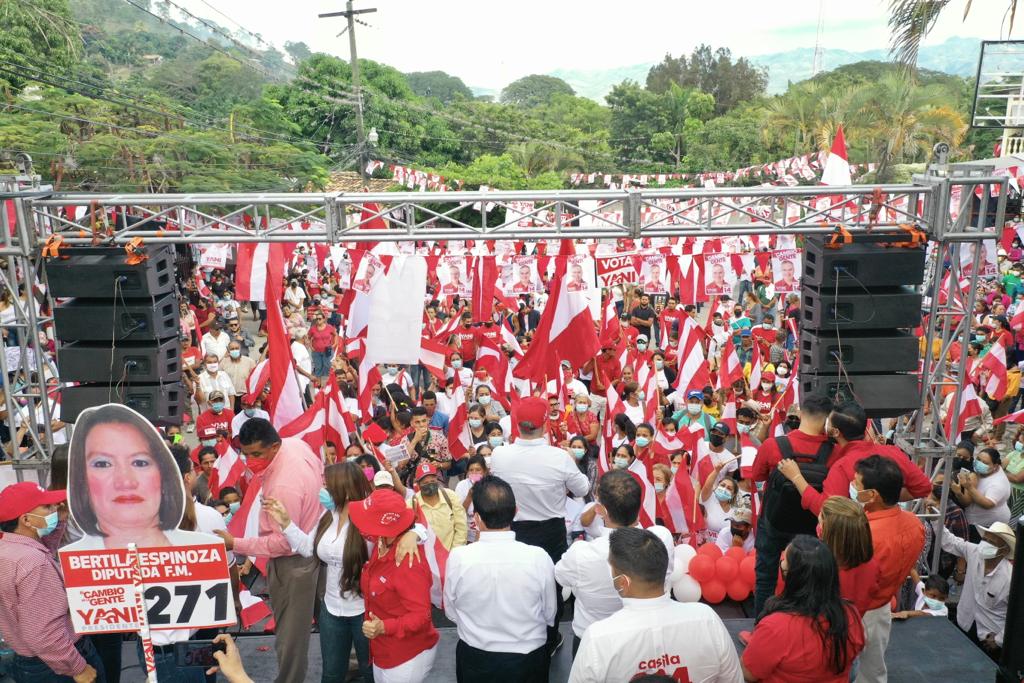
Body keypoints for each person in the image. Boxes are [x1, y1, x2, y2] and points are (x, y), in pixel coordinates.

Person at [263, 461, 422, 683]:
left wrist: (413, 535)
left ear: (345, 490)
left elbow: (413, 523)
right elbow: (309, 548)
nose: (322, 491)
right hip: (331, 611)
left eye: (327, 486)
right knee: (331, 674)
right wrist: (287, 523)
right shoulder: (328, 516)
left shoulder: (370, 517)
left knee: (371, 672)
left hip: (366, 612)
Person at [215, 418, 324, 683]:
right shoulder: (295, 446)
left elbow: (281, 544)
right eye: (246, 453)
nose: (250, 460)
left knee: (290, 636)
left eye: (256, 454)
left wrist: (236, 543)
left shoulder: (283, 485)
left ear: (274, 447)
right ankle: (351, 665)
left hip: (294, 563)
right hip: (316, 549)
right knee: (332, 620)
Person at [568, 527, 742, 683]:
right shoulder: (706, 619)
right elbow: (733, 678)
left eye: (612, 570)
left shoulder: (598, 638)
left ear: (623, 582)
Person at [490, 395, 591, 654]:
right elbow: (582, 488)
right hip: (550, 531)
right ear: (545, 424)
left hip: (515, 532)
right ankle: (550, 636)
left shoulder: (500, 455)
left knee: (517, 584)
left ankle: (517, 633)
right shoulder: (559, 457)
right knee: (551, 587)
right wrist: (571, 459)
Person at [445, 476, 556, 682]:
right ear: (515, 512)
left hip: (476, 658)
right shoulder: (538, 557)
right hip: (527, 661)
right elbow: (549, 613)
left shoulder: (459, 557)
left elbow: (451, 610)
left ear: (476, 519)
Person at [555, 470, 675, 654]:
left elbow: (561, 577)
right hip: (646, 639)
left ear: (600, 510)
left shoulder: (580, 553)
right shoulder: (662, 538)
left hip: (593, 644)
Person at [0, 481, 104, 683]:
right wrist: (77, 668)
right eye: (47, 507)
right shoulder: (33, 563)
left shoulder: (10, 549)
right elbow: (44, 632)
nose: (55, 508)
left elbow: (42, 549)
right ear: (27, 520)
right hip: (57, 664)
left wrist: (59, 521)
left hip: (27, 660)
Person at [65, 404, 204, 550]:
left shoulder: (204, 550)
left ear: (165, 474)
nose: (125, 481)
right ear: (81, 477)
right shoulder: (67, 561)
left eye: (140, 462)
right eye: (103, 464)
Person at [751, 391, 836, 616]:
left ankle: (762, 625)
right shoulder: (834, 451)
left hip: (773, 522)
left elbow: (758, 476)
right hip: (811, 526)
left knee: (766, 577)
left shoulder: (773, 445)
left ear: (799, 412)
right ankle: (804, 625)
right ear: (828, 417)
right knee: (808, 579)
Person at [741, 535, 865, 683]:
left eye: (783, 562)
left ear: (792, 577)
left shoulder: (775, 627)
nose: (780, 562)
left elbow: (748, 673)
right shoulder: (851, 614)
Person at [777, 400, 933, 516]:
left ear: (836, 432)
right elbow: (923, 487)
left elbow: (825, 510)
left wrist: (797, 477)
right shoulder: (893, 452)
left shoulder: (842, 466)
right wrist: (885, 498)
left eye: (828, 422)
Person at [350, 488, 439, 682]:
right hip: (382, 649)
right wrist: (416, 532)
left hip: (406, 655)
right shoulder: (382, 540)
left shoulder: (407, 561)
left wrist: (384, 627)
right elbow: (417, 523)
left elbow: (421, 616)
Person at [852, 455, 925, 683]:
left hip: (854, 610)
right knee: (874, 671)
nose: (853, 487)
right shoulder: (915, 523)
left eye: (857, 484)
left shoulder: (863, 532)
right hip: (882, 606)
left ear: (873, 494)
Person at [931, 515, 1013, 660]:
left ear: (1003, 551)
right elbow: (949, 541)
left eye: (992, 542)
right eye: (985, 539)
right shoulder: (974, 552)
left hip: (988, 639)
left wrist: (999, 640)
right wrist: (935, 519)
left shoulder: (1009, 578)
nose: (985, 544)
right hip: (963, 624)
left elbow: (1016, 616)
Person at [818, 496, 882, 616]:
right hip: (856, 622)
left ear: (834, 534)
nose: (819, 522)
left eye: (821, 521)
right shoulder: (872, 565)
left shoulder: (820, 568)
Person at [950, 446, 1012, 534]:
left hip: (990, 526)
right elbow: (967, 501)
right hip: (973, 521)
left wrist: (969, 487)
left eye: (985, 463)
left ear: (995, 466)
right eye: (978, 459)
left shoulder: (998, 483)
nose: (979, 463)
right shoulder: (978, 472)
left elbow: (988, 504)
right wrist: (959, 493)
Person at [409, 462, 467, 550]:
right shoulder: (411, 504)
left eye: (432, 481)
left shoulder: (450, 496)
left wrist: (454, 552)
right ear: (418, 484)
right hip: (426, 558)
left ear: (437, 479)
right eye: (425, 482)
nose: (430, 484)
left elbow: (461, 527)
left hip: (451, 554)